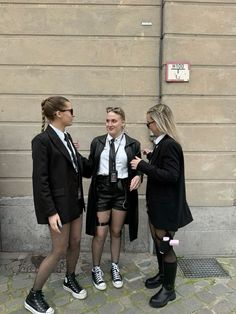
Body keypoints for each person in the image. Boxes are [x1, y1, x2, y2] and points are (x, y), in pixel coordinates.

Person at [25, 96, 90, 314]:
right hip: (59, 207)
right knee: (59, 250)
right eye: (70, 110)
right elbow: (40, 180)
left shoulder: (67, 137)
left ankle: (69, 279)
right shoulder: (42, 141)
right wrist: (51, 212)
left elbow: (79, 167)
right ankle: (33, 295)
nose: (74, 113)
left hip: (75, 203)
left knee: (76, 243)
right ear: (58, 114)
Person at [130, 103, 193, 308]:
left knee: (166, 246)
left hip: (166, 209)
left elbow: (171, 176)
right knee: (160, 244)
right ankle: (162, 275)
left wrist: (142, 165)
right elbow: (164, 166)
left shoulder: (170, 144)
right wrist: (151, 155)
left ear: (158, 122)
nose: (148, 127)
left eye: (149, 123)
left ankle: (169, 290)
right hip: (158, 206)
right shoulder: (161, 144)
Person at [86, 106, 142, 291]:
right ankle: (96, 268)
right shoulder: (98, 142)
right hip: (101, 191)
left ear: (122, 122)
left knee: (116, 232)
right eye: (108, 120)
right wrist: (73, 154)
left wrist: (139, 176)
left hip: (121, 192)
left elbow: (138, 167)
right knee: (100, 233)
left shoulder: (133, 144)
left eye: (114, 121)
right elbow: (89, 168)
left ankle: (115, 266)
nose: (109, 124)